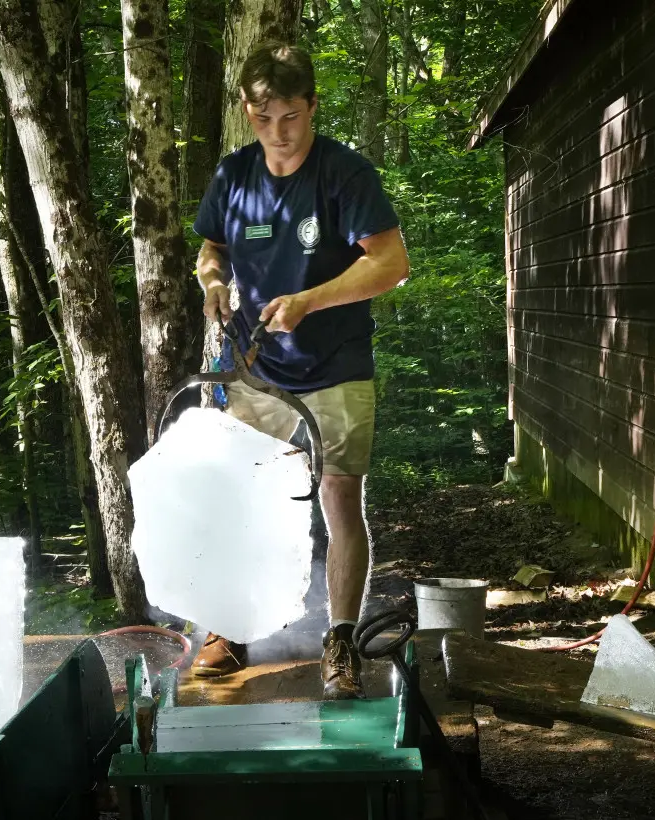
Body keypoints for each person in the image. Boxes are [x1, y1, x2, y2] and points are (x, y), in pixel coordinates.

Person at [191, 41, 408, 700]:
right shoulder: (233, 176)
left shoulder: (345, 174)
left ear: (311, 107)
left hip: (336, 361)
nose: (277, 133)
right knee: (238, 497)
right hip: (255, 365)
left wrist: (311, 301)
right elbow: (211, 249)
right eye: (263, 118)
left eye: (289, 117)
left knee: (339, 497)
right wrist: (212, 284)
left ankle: (340, 639)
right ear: (246, 112)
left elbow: (391, 263)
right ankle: (229, 625)